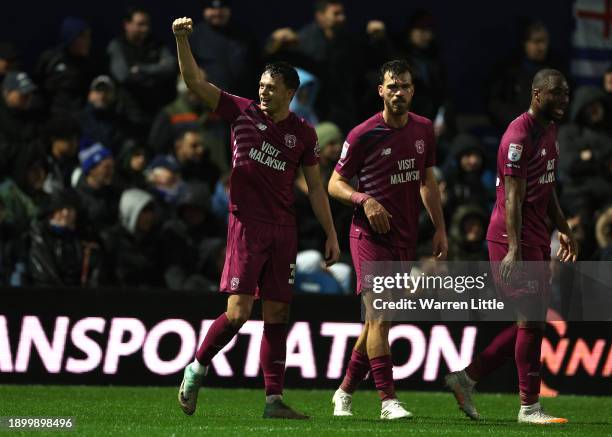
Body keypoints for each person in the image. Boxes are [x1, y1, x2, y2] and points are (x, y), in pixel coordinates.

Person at [172, 17, 340, 419]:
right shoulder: (241, 111)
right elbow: (196, 83)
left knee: (278, 313)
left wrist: (331, 233)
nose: (262, 91)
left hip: (284, 229)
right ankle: (196, 366)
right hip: (246, 225)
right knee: (238, 314)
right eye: (261, 85)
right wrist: (181, 40)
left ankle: (273, 400)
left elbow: (316, 187)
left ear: (290, 93)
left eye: (271, 87)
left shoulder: (304, 133)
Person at [444, 69, 578, 424]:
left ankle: (467, 378)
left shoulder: (550, 129)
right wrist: (515, 248)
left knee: (532, 322)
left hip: (534, 235)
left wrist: (563, 228)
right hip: (510, 237)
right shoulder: (517, 136)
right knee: (531, 321)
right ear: (536, 94)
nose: (564, 99)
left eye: (566, 93)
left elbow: (545, 188)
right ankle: (528, 407)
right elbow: (514, 197)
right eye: (557, 94)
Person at [328, 60, 447, 419]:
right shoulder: (362, 134)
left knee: (377, 322)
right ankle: (387, 400)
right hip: (368, 235)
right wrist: (365, 200)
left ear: (413, 90)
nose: (398, 92)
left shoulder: (424, 129)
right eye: (392, 86)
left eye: (405, 86)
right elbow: (334, 184)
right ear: (381, 90)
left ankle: (344, 391)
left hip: (404, 237)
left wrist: (440, 227)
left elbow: (427, 182)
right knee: (379, 315)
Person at [107, 7, 177, 137]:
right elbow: (124, 76)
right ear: (127, 25)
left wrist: (141, 69)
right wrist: (156, 73)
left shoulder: (157, 44)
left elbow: (171, 67)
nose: (145, 29)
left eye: (147, 24)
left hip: (157, 113)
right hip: (129, 116)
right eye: (140, 24)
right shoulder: (117, 46)